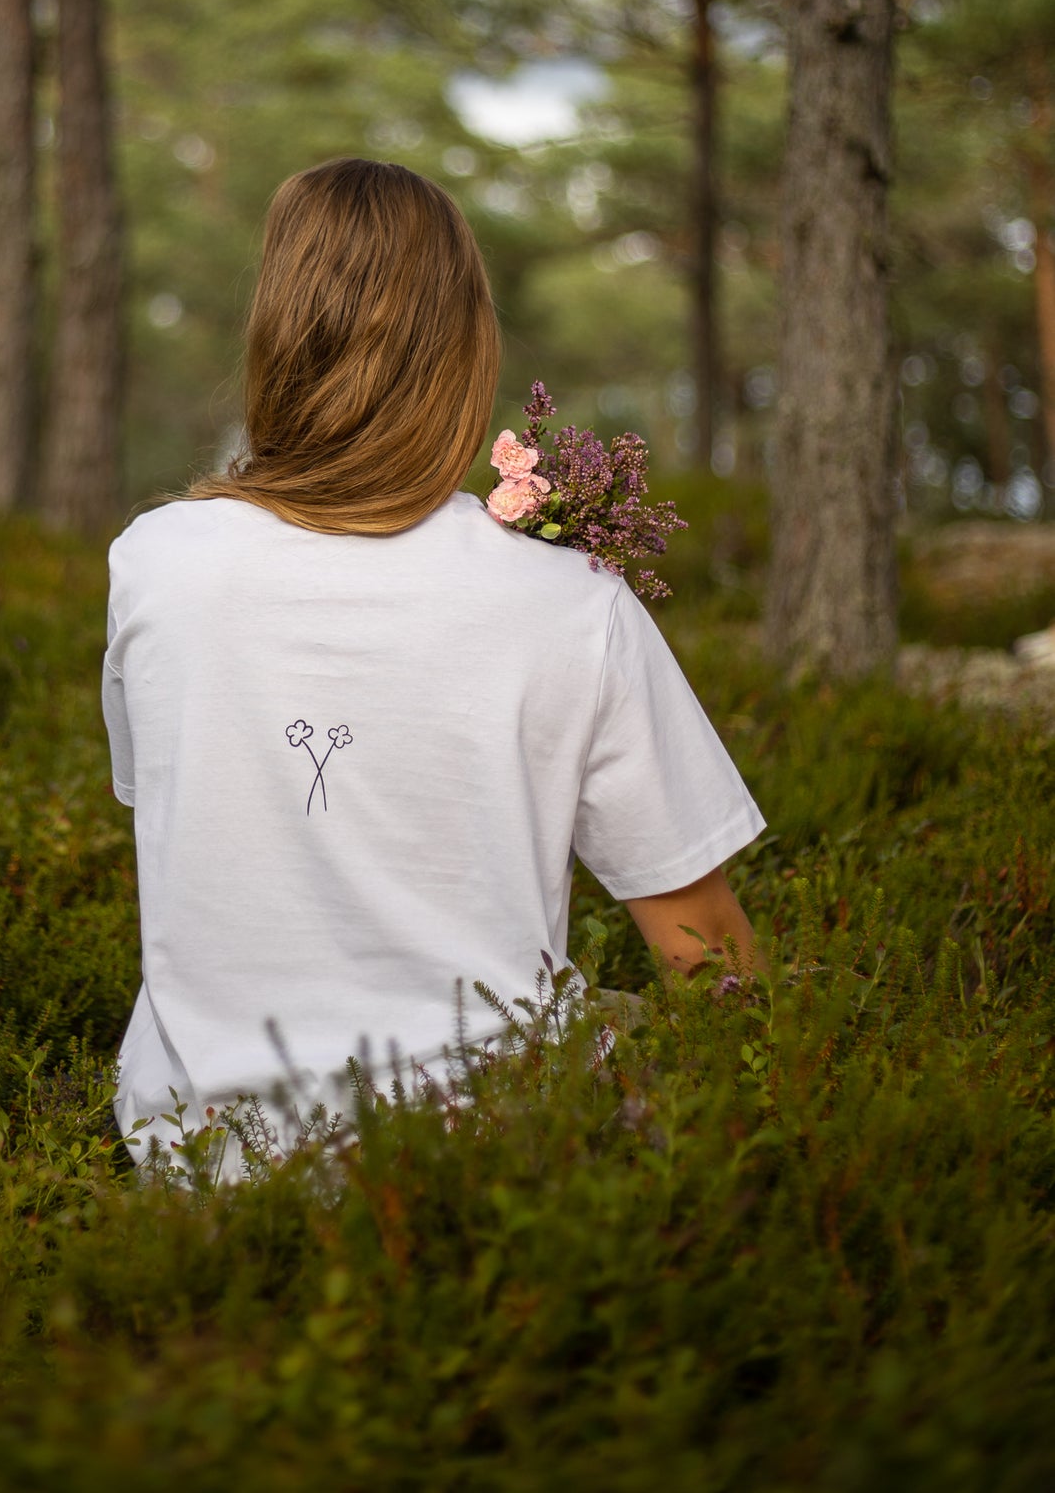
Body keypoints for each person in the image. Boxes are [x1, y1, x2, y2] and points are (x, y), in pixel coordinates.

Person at [103, 159, 763, 1174]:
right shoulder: (569, 600)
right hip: (488, 1168)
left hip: (202, 1162)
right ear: (464, 343)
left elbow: (171, 804)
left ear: (276, 332)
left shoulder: (154, 563)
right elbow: (700, 946)